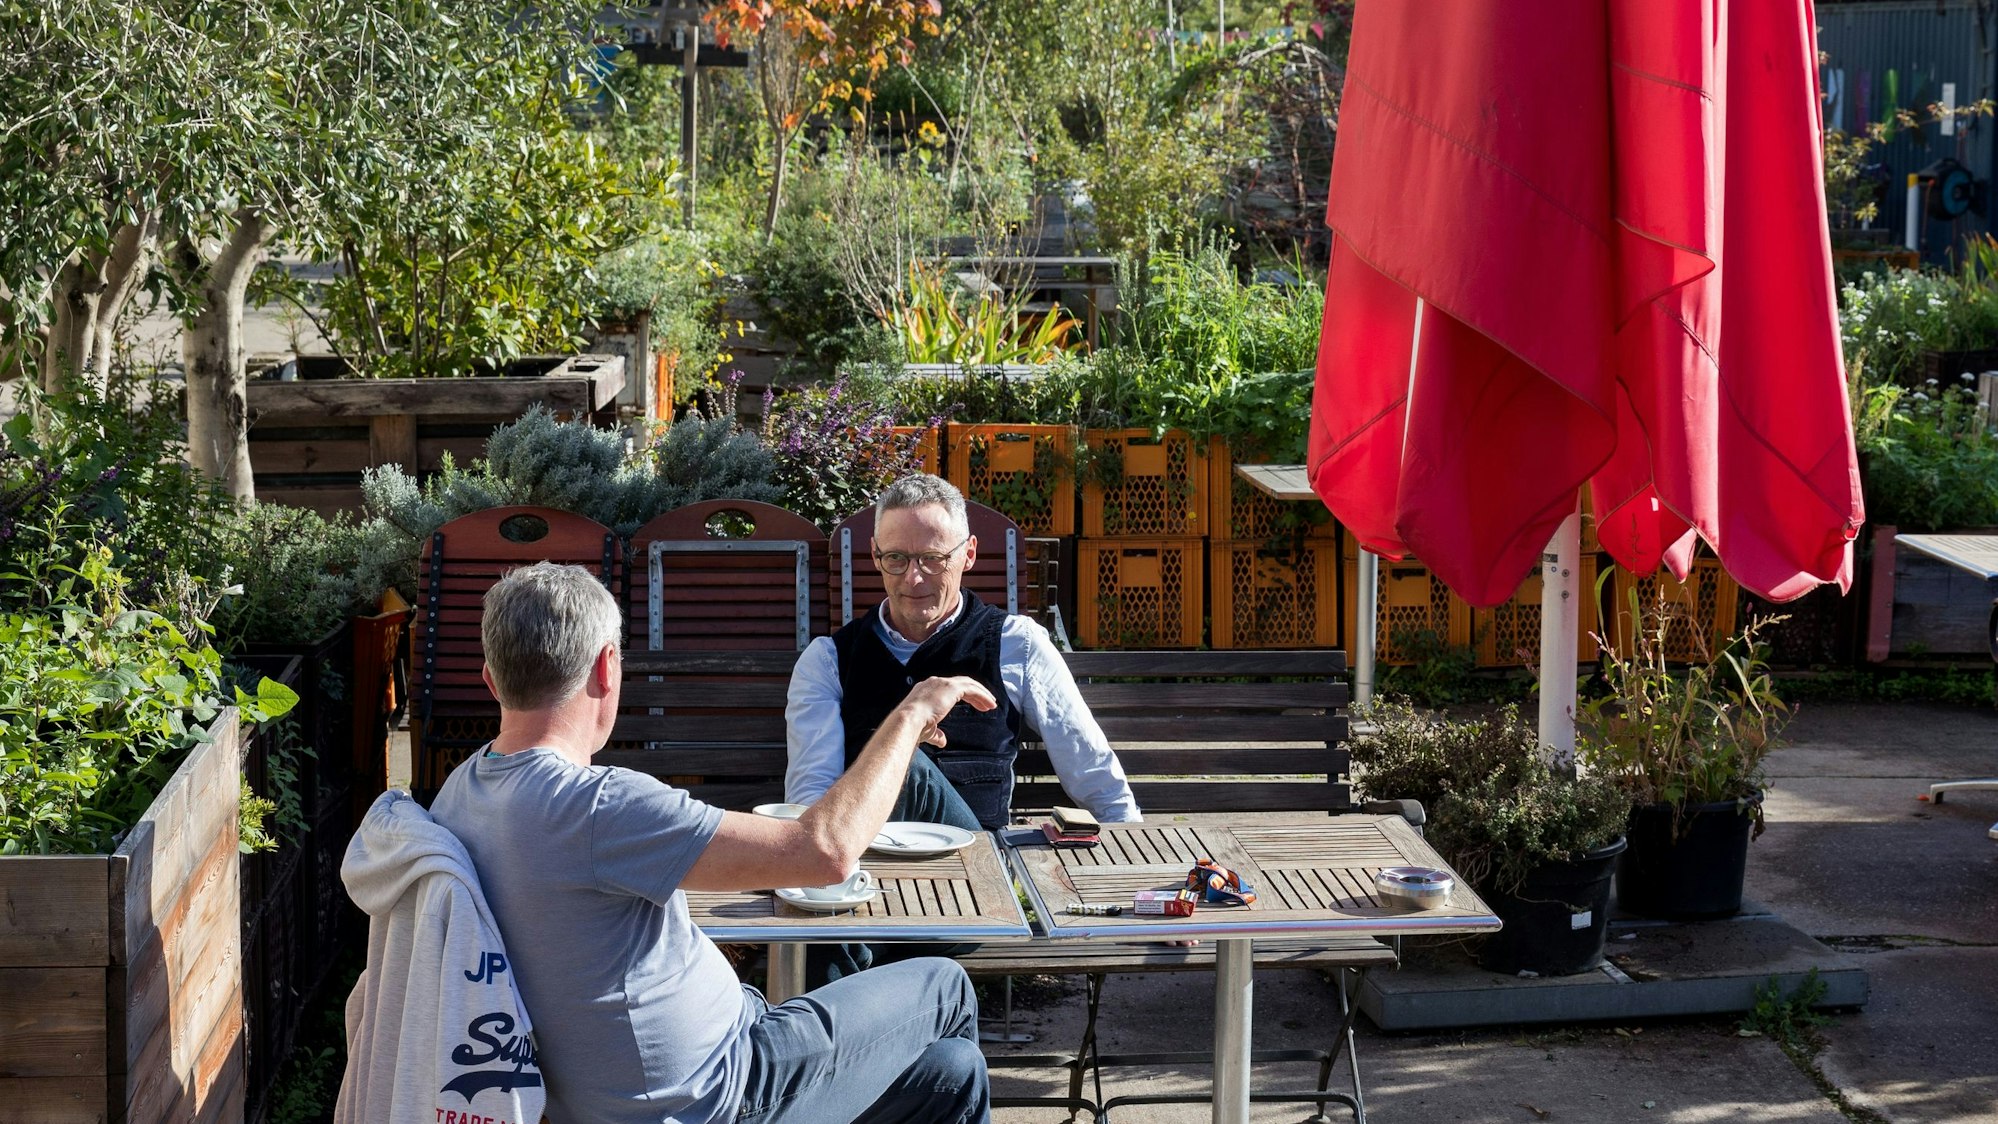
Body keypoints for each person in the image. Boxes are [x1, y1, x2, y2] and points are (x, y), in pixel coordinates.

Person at [428, 562, 993, 1124]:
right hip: (723, 1092)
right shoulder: (600, 807)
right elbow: (824, 852)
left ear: (492, 680)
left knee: (952, 1071)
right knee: (946, 986)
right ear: (607, 668)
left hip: (694, 1063)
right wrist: (912, 712)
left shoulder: (461, 793)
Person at [784, 474, 1142, 981]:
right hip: (864, 883)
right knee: (881, 778)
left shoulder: (1015, 643)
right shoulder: (828, 660)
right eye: (897, 559)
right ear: (874, 556)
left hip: (977, 887)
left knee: (905, 762)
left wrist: (1146, 883)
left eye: (934, 558)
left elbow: (1094, 774)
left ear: (968, 554)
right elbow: (810, 805)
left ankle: (826, 1006)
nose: (914, 578)